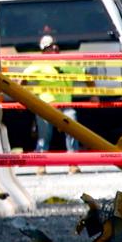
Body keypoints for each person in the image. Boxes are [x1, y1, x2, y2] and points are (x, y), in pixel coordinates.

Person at [22, 34, 82, 174]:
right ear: (44, 51)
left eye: (55, 46)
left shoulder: (66, 64)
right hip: (46, 107)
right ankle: (41, 165)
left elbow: (85, 75)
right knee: (44, 136)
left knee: (73, 130)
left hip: (66, 107)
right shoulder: (38, 65)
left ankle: (73, 164)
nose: (54, 49)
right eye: (50, 47)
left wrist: (94, 96)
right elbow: (23, 78)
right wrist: (22, 96)